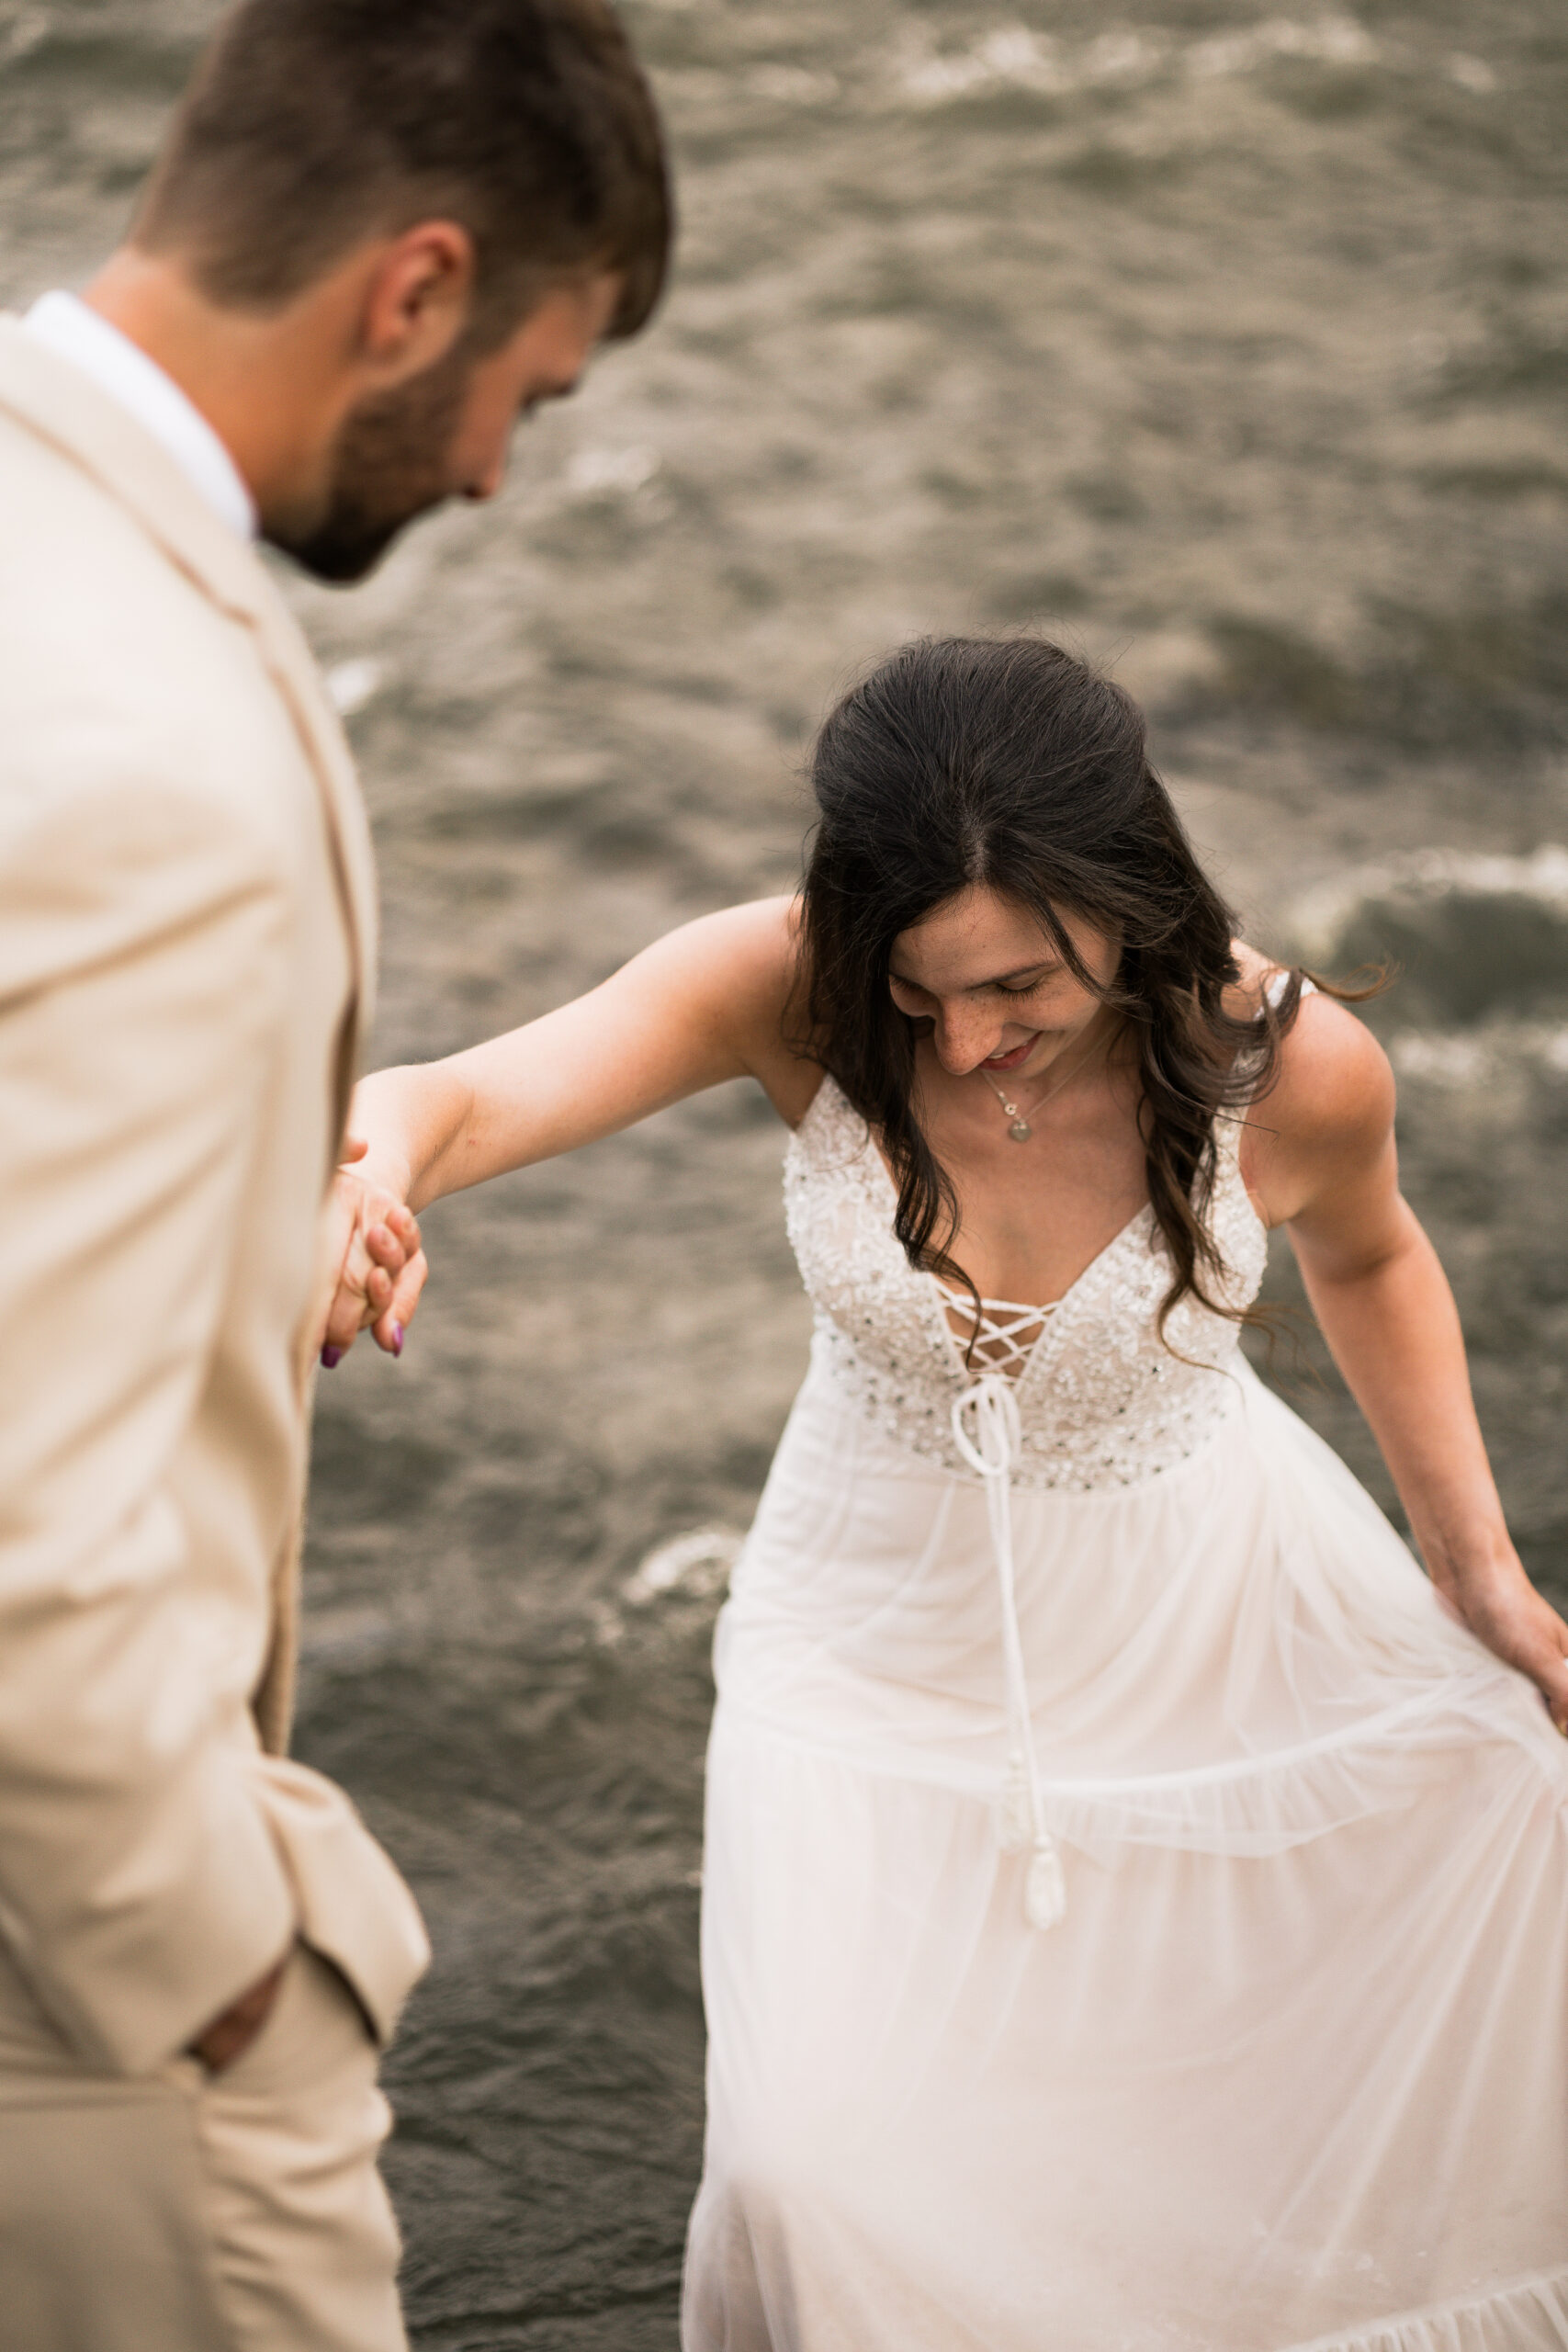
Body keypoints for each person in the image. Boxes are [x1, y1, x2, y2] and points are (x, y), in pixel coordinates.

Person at [333, 637, 1568, 2350]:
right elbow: (453, 1101)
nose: (971, 1040)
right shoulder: (791, 985)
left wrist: (1479, 1571)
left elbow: (1373, 1259)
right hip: (861, 1634)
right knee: (802, 2176)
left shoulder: (1286, 1067)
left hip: (1202, 1633)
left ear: (1127, 908)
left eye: (1021, 993)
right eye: (927, 995)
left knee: (1187, 2165)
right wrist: (370, 1178)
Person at [0, 3, 669, 2346]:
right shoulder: (161, 764)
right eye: (529, 386)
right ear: (410, 290)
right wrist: (222, 1985)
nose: (494, 471)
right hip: (81, 2026)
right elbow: (29, 1547)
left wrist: (221, 1236)